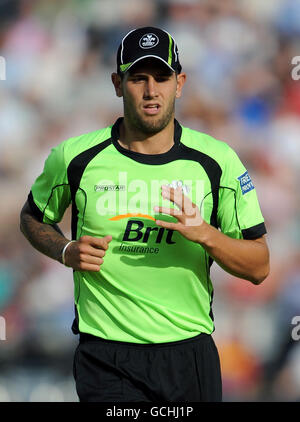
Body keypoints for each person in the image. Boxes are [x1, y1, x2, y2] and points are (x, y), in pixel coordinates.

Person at [20, 26, 270, 402]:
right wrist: (65, 250)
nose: (151, 91)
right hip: (106, 355)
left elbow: (259, 266)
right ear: (117, 84)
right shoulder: (74, 157)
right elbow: (33, 217)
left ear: (180, 83)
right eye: (138, 78)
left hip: (188, 355)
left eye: (162, 77)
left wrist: (205, 233)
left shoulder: (217, 162)